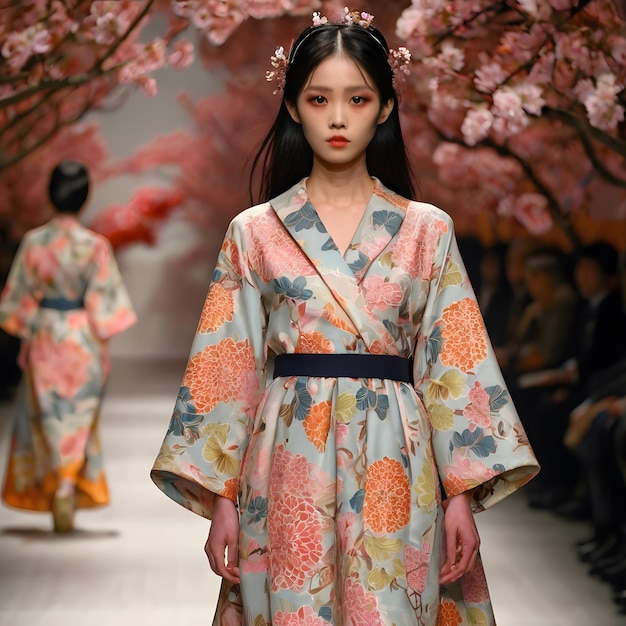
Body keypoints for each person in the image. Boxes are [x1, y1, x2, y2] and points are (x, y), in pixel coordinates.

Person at [150, 9, 539, 625]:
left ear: (385, 107)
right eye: (318, 98)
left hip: (399, 458)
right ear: (293, 106)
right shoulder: (255, 231)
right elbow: (228, 366)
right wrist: (222, 497)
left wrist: (461, 493)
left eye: (357, 98)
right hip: (286, 455)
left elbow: (455, 363)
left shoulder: (425, 229)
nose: (337, 117)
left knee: (390, 605)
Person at [0, 160, 137, 532]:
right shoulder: (94, 246)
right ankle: (66, 487)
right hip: (82, 338)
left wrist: (27, 338)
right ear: (84, 196)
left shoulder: (34, 242)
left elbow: (19, 300)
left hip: (45, 333)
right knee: (77, 417)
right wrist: (103, 348)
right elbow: (106, 307)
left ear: (50, 194)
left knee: (48, 415)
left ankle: (57, 486)